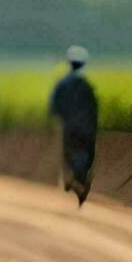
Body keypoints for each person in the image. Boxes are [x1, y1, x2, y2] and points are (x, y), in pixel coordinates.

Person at [49, 45, 98, 206]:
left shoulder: (62, 84)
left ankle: (73, 180)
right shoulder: (87, 84)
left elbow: (53, 107)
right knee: (86, 155)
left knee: (70, 154)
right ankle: (79, 180)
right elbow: (94, 108)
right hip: (87, 127)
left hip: (69, 127)